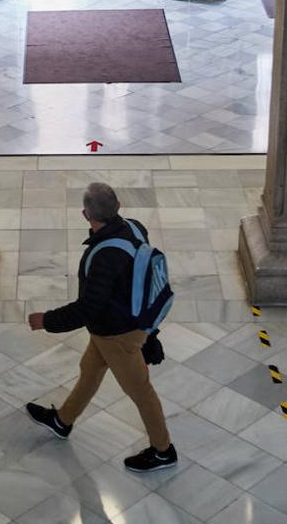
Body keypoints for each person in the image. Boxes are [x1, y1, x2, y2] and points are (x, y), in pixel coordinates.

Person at [25, 182, 178, 473]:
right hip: (113, 326)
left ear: (86, 215)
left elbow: (88, 308)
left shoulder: (105, 256)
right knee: (90, 369)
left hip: (118, 335)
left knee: (141, 392)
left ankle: (163, 451)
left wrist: (46, 321)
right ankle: (62, 421)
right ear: (118, 206)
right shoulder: (134, 227)